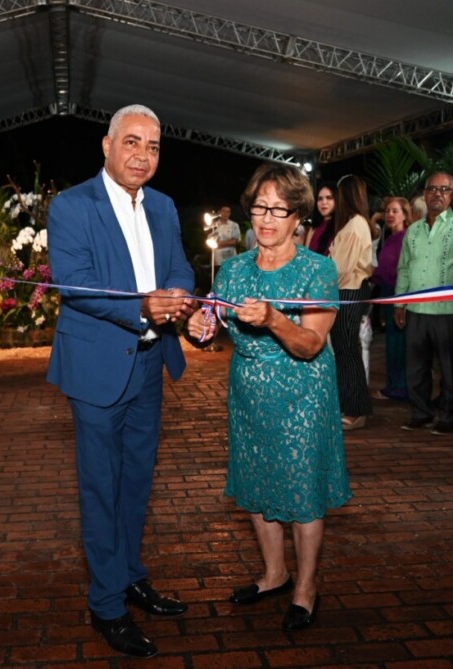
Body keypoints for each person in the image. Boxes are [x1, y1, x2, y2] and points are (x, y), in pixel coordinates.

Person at [45, 104, 196, 659]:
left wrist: (179, 299)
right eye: (131, 142)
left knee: (136, 483)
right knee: (100, 489)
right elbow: (75, 284)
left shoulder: (163, 206)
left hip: (151, 366)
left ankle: (131, 575)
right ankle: (106, 604)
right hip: (96, 370)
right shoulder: (72, 206)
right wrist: (143, 307)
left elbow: (180, 266)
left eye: (153, 147)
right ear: (106, 146)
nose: (142, 155)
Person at [185, 162, 350, 632]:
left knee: (302, 490)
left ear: (299, 216)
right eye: (260, 207)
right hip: (249, 394)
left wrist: (275, 319)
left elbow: (310, 344)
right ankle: (275, 574)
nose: (267, 218)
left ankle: (306, 587)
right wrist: (198, 326)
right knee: (256, 486)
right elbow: (210, 322)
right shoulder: (233, 269)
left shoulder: (318, 270)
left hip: (303, 395)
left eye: (279, 209)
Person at [394, 172, 453, 434]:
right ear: (424, 193)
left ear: (452, 195)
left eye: (444, 189)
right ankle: (420, 412)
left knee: (450, 368)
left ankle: (448, 417)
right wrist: (399, 303)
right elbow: (405, 269)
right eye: (432, 189)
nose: (437, 194)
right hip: (416, 308)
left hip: (449, 309)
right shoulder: (412, 230)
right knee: (416, 367)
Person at [329, 175, 374, 431]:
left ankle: (357, 410)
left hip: (349, 290)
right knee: (345, 351)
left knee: (348, 351)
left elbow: (341, 268)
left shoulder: (356, 223)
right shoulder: (351, 223)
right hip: (344, 291)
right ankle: (349, 405)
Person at [371, 196, 410, 401]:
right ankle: (394, 385)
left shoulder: (406, 237)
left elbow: (401, 271)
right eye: (387, 211)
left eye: (395, 211)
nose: (390, 215)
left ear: (405, 214)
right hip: (387, 291)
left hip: (399, 294)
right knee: (392, 342)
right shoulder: (389, 237)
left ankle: (400, 387)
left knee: (399, 342)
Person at [306, 182, 336, 256]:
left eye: (329, 198)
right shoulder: (314, 227)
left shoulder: (340, 226)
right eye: (320, 199)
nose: (324, 202)